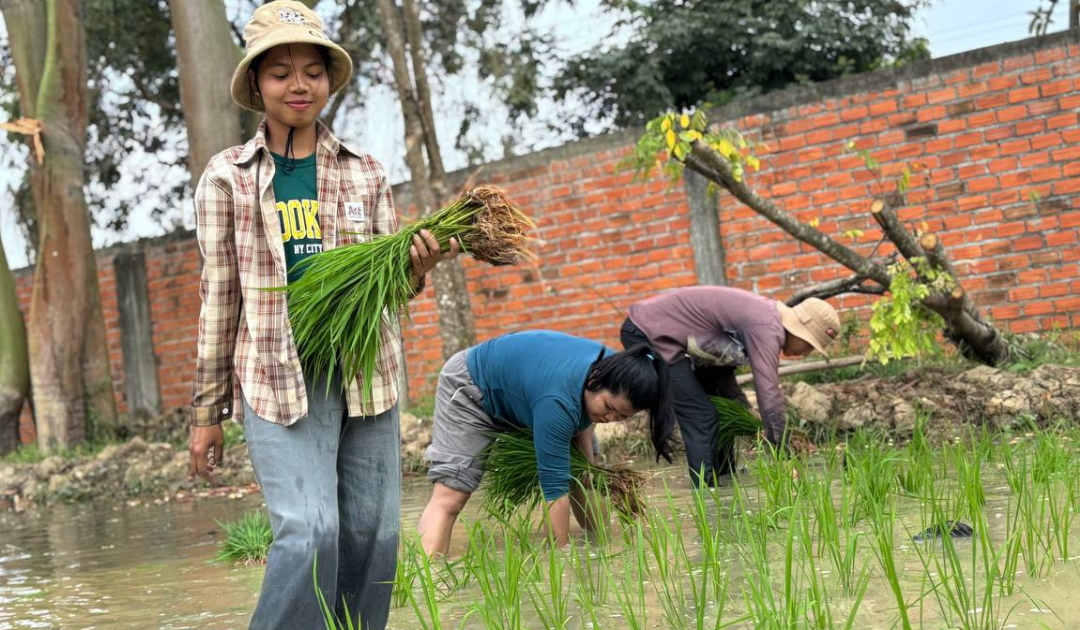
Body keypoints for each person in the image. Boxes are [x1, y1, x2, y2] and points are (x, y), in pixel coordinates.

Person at [185, 3, 459, 629]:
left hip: (364, 373)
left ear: (330, 80)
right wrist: (206, 413)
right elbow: (219, 296)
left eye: (312, 71)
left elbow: (390, 289)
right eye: (280, 73)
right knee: (310, 531)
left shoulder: (365, 172)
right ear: (257, 83)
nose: (299, 85)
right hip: (275, 376)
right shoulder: (228, 178)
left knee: (374, 536)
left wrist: (415, 269)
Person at [416, 330, 674, 556]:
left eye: (621, 416)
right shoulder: (558, 403)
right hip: (472, 386)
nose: (609, 419)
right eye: (609, 408)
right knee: (451, 496)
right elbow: (554, 492)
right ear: (595, 380)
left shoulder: (620, 369)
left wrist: (588, 466)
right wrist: (562, 559)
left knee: (583, 474)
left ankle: (602, 543)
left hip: (533, 389)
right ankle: (427, 577)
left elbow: (585, 427)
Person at [621, 286, 841, 487]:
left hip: (671, 341)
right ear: (799, 330)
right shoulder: (767, 326)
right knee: (701, 416)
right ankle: (707, 497)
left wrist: (747, 414)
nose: (807, 353)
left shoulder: (760, 319)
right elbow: (768, 391)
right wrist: (783, 452)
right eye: (810, 344)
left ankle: (726, 485)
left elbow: (725, 382)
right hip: (648, 332)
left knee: (723, 414)